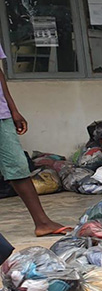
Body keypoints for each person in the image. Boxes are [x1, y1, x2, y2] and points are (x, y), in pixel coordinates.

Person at [0, 43, 69, 237]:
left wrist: (13, 109)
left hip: (1, 115)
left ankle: (42, 222)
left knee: (17, 165)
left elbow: (0, 74)